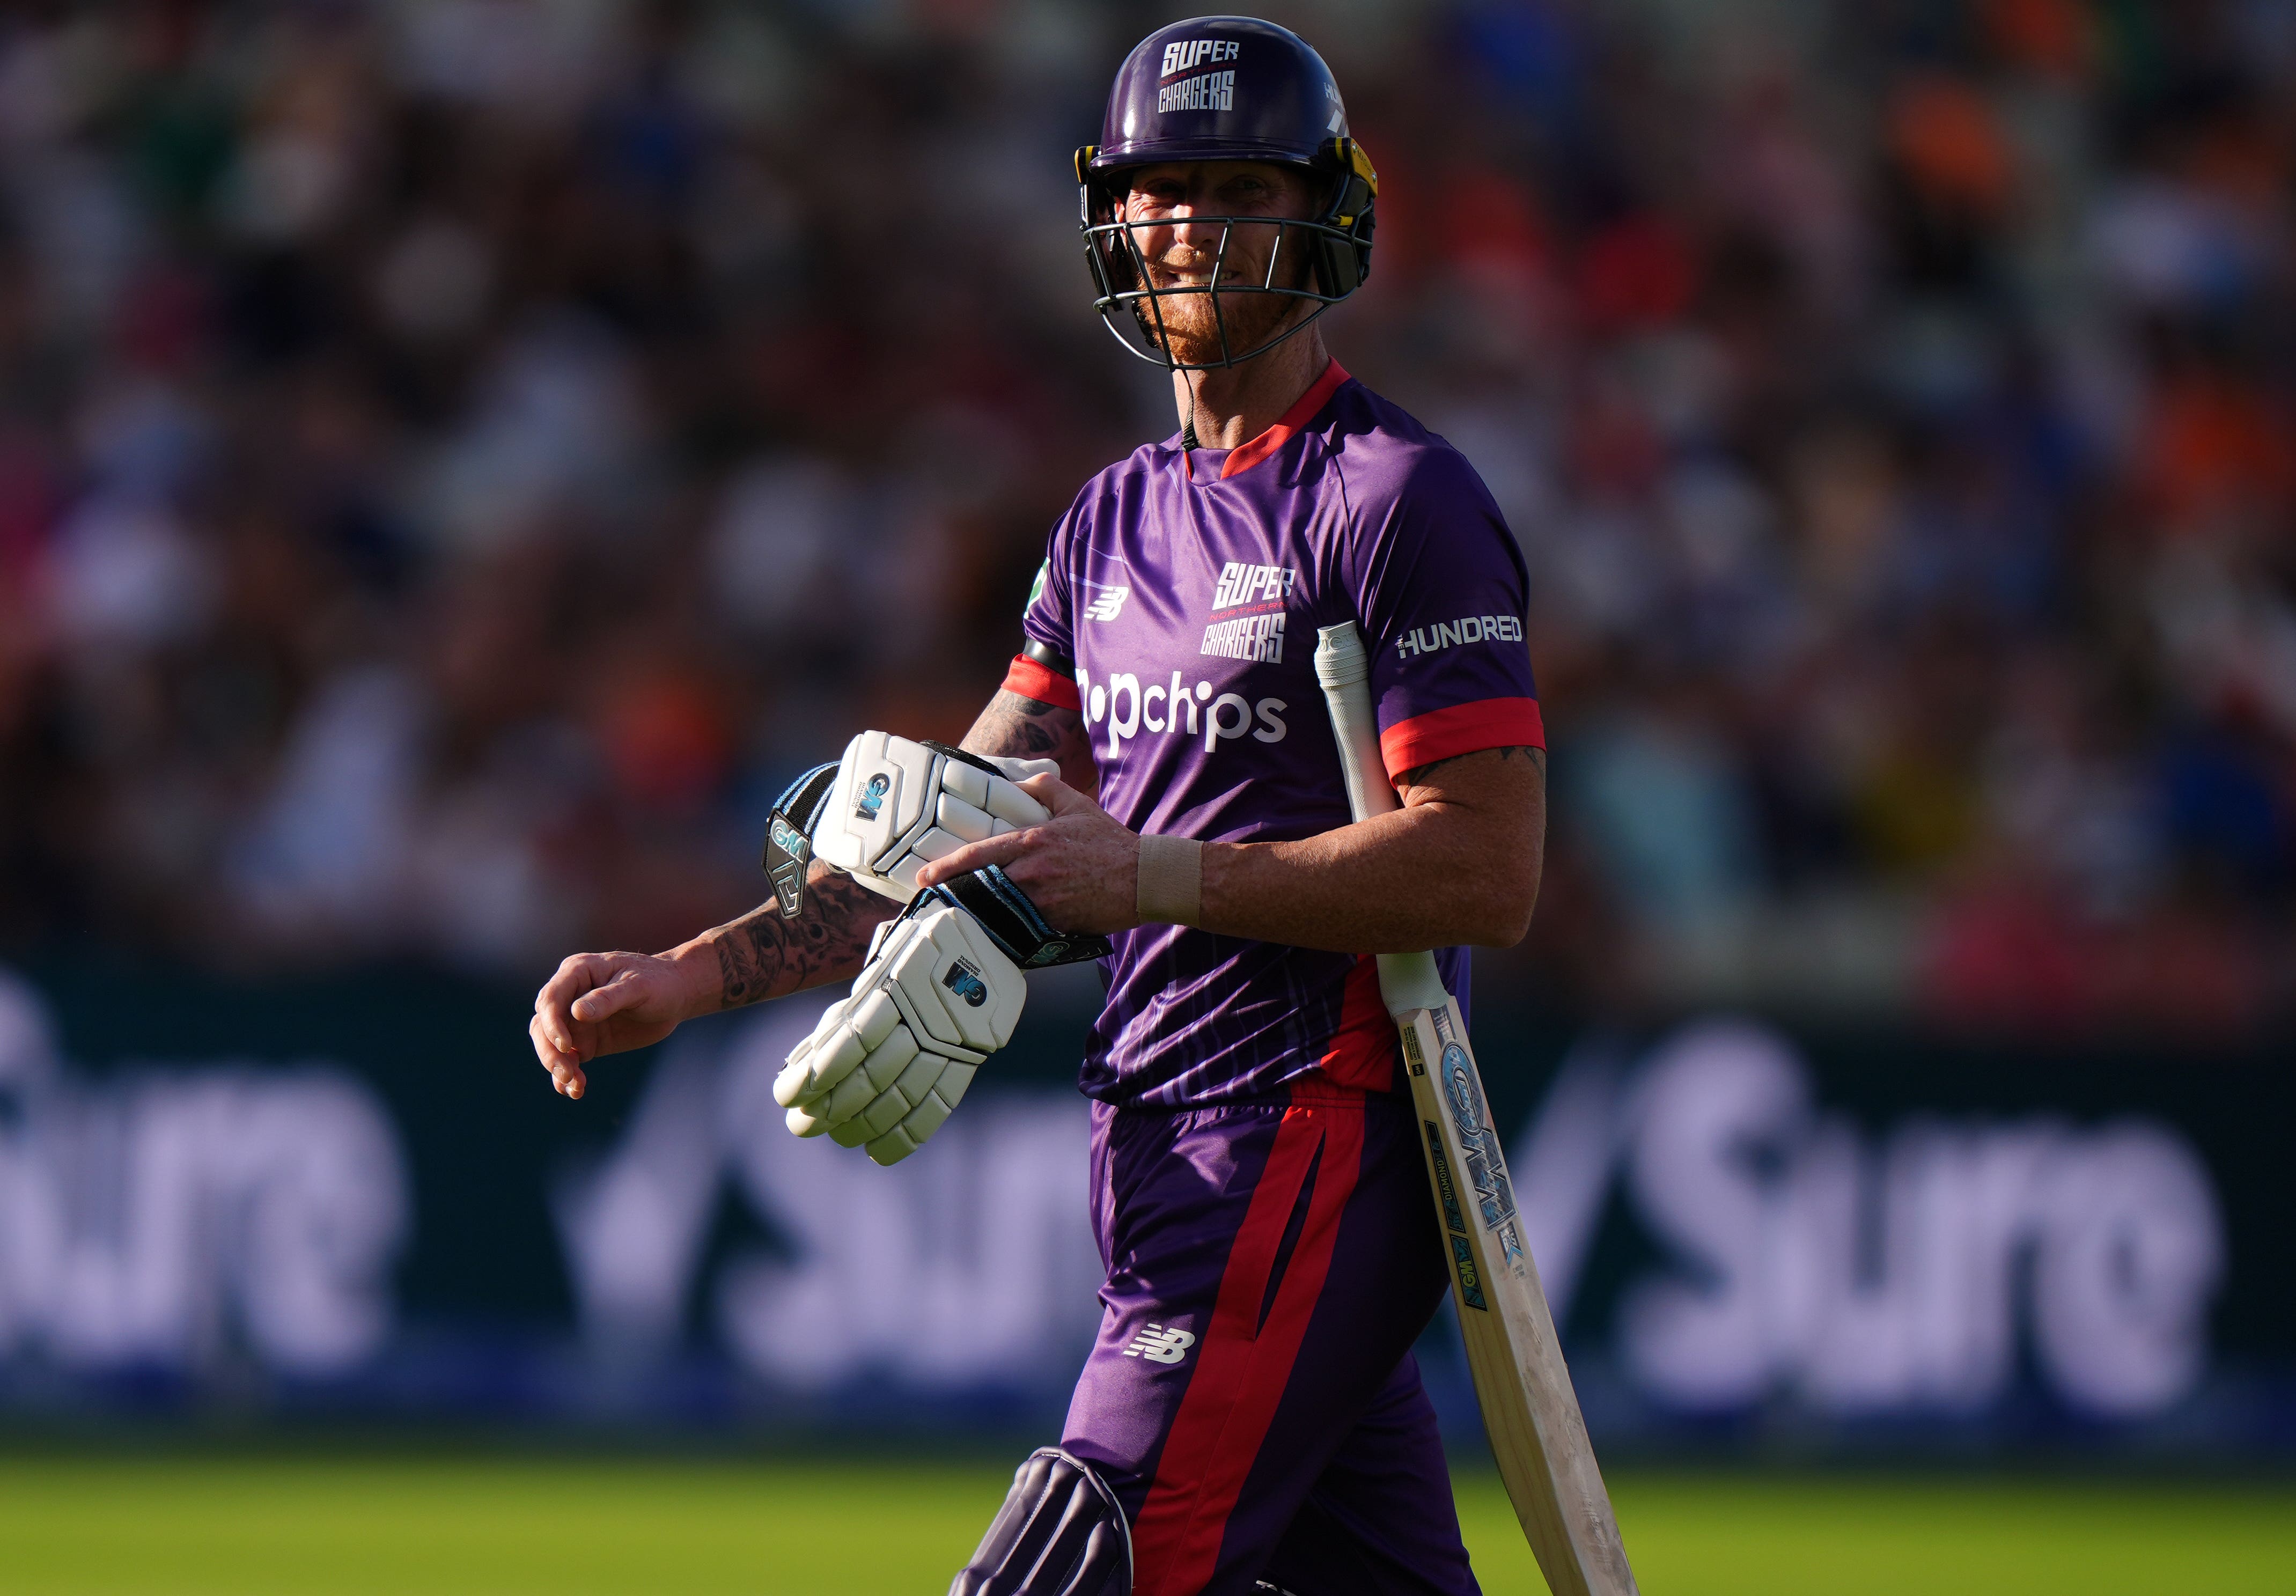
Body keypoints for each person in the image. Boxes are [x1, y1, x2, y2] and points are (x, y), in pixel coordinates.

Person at [529, 17, 1542, 1595]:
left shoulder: (1397, 501)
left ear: (1323, 211)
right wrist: (692, 973)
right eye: (1156, 188)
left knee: (1074, 1559)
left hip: (1300, 1141)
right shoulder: (1108, 522)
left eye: (1232, 184)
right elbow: (945, 827)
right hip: (1152, 1143)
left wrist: (1151, 877)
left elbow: (1485, 873)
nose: (1188, 223)